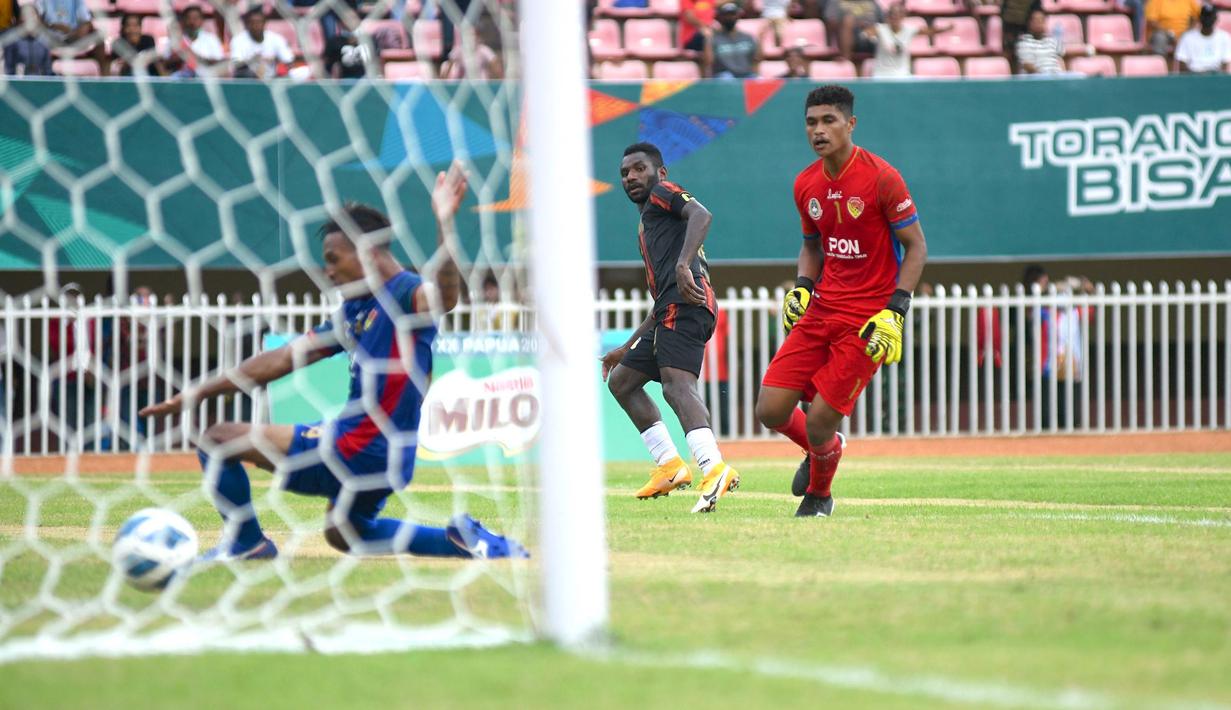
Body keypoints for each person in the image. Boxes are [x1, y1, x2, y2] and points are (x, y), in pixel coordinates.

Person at [139, 161, 528, 561]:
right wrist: (199, 391)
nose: (328, 271)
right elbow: (282, 359)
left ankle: (246, 543)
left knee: (218, 440)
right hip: (388, 457)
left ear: (368, 252)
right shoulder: (353, 312)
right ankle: (462, 541)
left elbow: (446, 298)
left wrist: (445, 226)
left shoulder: (405, 294)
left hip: (356, 446)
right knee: (347, 534)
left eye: (333, 258)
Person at [755, 85, 928, 517]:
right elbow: (812, 246)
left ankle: (819, 496)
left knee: (818, 422)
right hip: (821, 311)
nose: (819, 130)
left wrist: (896, 311)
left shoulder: (882, 177)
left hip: (867, 320)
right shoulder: (805, 183)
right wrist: (802, 286)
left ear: (850, 124)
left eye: (829, 120)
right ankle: (823, 451)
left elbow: (917, 247)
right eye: (811, 122)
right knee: (770, 410)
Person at [601, 142, 740, 514]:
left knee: (677, 386)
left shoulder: (665, 193)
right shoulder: (649, 223)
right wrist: (626, 346)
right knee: (623, 382)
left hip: (688, 305)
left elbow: (702, 214)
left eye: (639, 169)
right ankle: (670, 465)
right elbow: (661, 297)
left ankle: (713, 469)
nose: (630, 176)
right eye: (625, 173)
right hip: (670, 309)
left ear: (660, 173)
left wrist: (683, 264)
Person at [867, 3, 952, 78]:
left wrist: (946, 28)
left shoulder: (909, 30)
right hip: (881, 75)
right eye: (892, 14)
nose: (895, 17)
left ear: (903, 16)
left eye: (899, 14)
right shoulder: (880, 29)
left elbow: (929, 31)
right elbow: (867, 33)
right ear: (888, 16)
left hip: (903, 75)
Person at [37, 0, 108, 75]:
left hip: (74, 38)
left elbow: (86, 22)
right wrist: (54, 26)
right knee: (39, 36)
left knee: (99, 36)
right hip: (51, 38)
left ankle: (104, 79)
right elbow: (37, 21)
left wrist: (71, 33)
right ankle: (41, 74)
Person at [230, 8, 294, 79]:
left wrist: (277, 63)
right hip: (249, 76)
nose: (256, 26)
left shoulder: (276, 38)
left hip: (272, 77)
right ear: (247, 24)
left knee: (299, 72)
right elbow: (236, 64)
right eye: (252, 23)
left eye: (259, 22)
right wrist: (253, 60)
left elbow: (289, 61)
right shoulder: (238, 40)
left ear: (264, 23)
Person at [164, 5, 225, 78]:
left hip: (206, 78)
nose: (192, 22)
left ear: (202, 20)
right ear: (183, 21)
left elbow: (218, 63)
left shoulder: (211, 39)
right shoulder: (174, 40)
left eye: (196, 18)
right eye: (188, 18)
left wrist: (197, 59)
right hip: (181, 79)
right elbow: (166, 65)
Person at [705, 2, 759, 78]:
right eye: (726, 15)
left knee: (759, 80)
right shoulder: (714, 38)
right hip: (724, 75)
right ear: (719, 17)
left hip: (746, 74)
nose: (729, 17)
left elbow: (756, 59)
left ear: (738, 16)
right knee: (726, 78)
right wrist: (708, 39)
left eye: (732, 14)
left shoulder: (747, 37)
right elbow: (708, 62)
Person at [1175, 4, 1231, 73]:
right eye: (1205, 17)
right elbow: (1182, 66)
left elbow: (1224, 66)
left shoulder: (1224, 37)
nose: (1207, 20)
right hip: (1193, 77)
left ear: (1216, 19)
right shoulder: (1187, 37)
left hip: (1215, 77)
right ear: (1199, 18)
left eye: (1210, 17)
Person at [3, 0, 53, 75]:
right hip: (18, 84)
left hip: (39, 84)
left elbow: (48, 70)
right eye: (25, 15)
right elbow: (9, 70)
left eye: (32, 15)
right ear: (21, 19)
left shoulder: (44, 41)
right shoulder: (12, 42)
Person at [1016, 9, 1065, 75]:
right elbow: (1028, 66)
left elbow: (1060, 59)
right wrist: (1046, 78)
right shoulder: (1024, 42)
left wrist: (1064, 76)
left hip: (1055, 78)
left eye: (1041, 20)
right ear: (1030, 23)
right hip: (1036, 80)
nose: (1039, 23)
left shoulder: (1052, 40)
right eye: (1036, 21)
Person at [1000, 0, 1041, 72]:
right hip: (1010, 27)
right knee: (1009, 56)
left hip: (1027, 28)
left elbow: (1037, 12)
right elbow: (1003, 11)